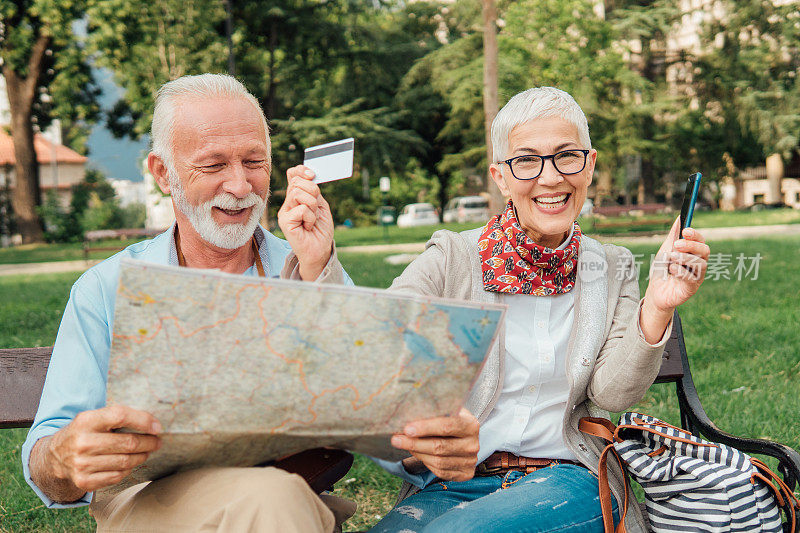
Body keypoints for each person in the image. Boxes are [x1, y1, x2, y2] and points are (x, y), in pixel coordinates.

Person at [21, 73, 355, 532]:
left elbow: (379, 400)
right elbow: (48, 459)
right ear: (163, 173)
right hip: (151, 507)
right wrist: (62, 455)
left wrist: (318, 272)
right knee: (272, 498)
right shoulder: (106, 287)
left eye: (254, 161)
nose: (240, 186)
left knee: (275, 495)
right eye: (214, 165)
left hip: (290, 492)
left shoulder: (306, 263)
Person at [370, 87, 710, 532]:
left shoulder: (611, 266)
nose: (551, 179)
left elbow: (611, 395)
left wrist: (659, 306)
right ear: (500, 176)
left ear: (590, 165)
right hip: (455, 482)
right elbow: (377, 335)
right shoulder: (452, 258)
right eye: (527, 160)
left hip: (570, 479)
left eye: (567, 156)